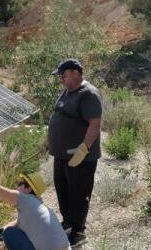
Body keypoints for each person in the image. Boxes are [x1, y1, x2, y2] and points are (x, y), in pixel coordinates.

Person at [47, 59, 102, 247]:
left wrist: (84, 148)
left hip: (80, 158)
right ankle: (68, 224)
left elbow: (95, 124)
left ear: (75, 73)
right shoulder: (68, 91)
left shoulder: (88, 94)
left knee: (78, 193)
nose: (61, 78)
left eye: (63, 75)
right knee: (63, 191)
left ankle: (78, 232)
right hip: (62, 156)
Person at [0, 159, 70, 250]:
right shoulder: (38, 207)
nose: (16, 187)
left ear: (28, 189)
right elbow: (17, 223)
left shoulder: (25, 200)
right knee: (11, 230)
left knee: (10, 234)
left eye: (20, 184)